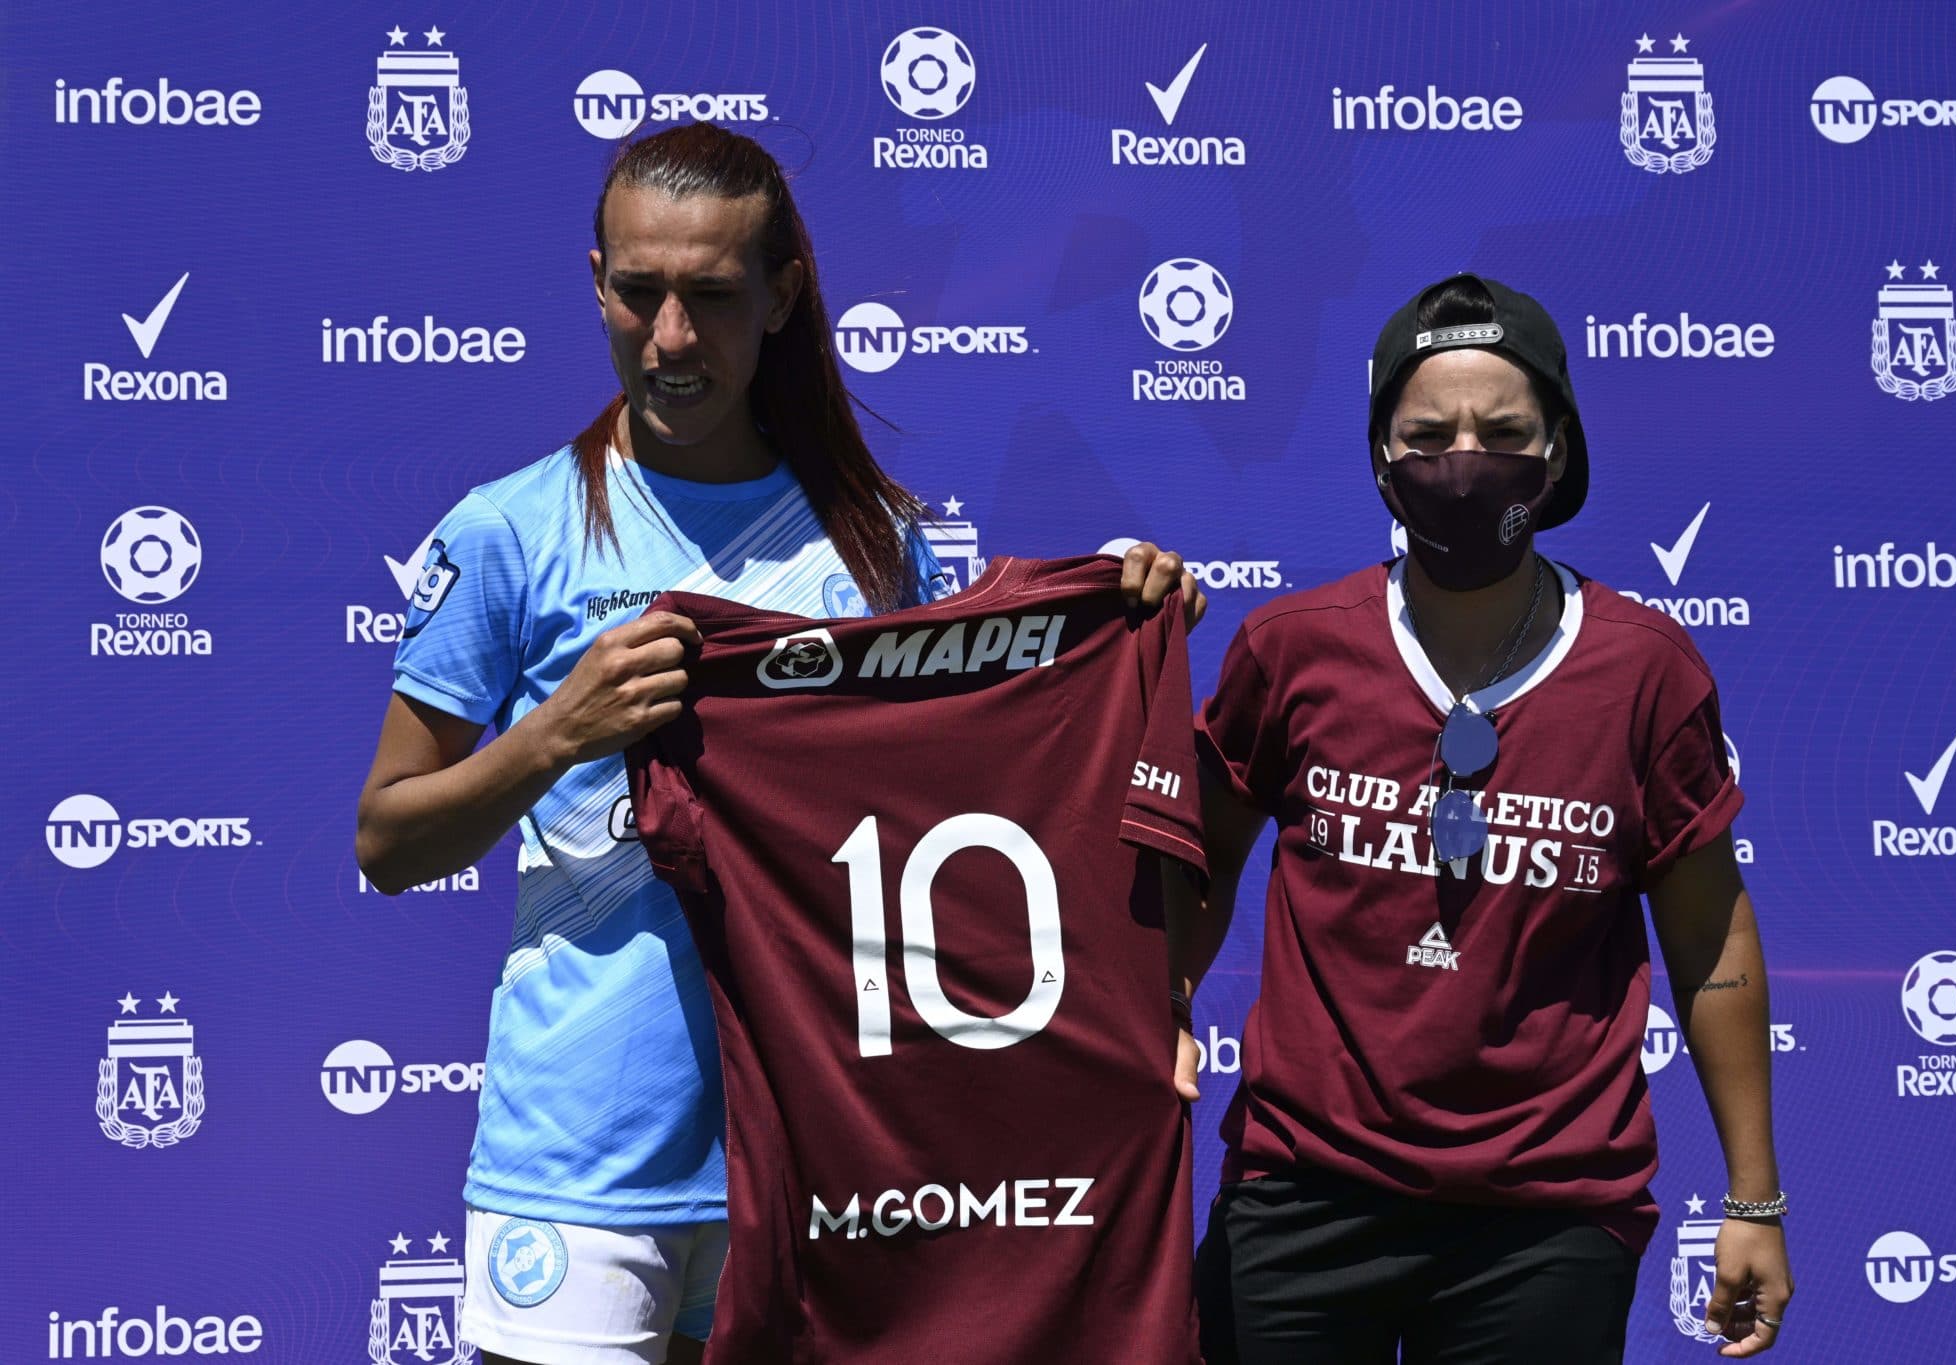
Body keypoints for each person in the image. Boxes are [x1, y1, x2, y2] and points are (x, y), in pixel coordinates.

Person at [354, 123, 1200, 1365]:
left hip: (830, 1151)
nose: (672, 339)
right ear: (595, 282)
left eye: (710, 296)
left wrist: (1116, 619)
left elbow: (960, 823)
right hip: (584, 1157)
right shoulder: (511, 532)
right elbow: (387, 840)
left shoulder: (874, 543)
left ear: (782, 294)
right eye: (639, 294)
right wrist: (557, 734)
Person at [1175, 274, 1793, 1363]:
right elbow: (1198, 860)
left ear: (1555, 451)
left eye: (1501, 431)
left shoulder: (1642, 670)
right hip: (1303, 1194)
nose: (1462, 461)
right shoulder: (1291, 647)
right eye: (1427, 434)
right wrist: (1163, 1005)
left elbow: (1708, 937)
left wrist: (1753, 1200)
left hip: (1545, 1215)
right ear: (1379, 458)